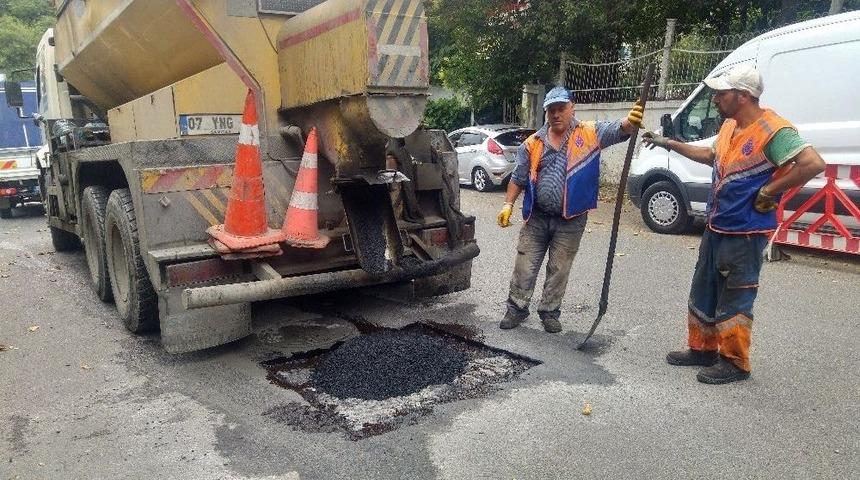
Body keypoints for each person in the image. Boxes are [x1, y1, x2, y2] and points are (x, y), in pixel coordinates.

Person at [642, 65, 825, 384]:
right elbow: (711, 155)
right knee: (704, 288)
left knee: (736, 294)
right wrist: (668, 143)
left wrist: (769, 190)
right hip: (717, 226)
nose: (715, 99)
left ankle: (735, 362)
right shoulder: (730, 125)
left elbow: (812, 164)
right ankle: (702, 349)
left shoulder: (773, 130)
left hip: (746, 231)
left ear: (742, 96)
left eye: (721, 93)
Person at [497, 86, 644, 333]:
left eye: (561, 108)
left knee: (559, 268)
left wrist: (630, 121)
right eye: (551, 110)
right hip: (537, 217)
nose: (556, 114)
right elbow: (518, 178)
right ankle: (516, 309)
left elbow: (618, 129)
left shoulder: (589, 132)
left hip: (571, 219)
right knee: (525, 264)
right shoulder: (532, 144)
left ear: (571, 108)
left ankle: (549, 312)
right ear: (546, 112)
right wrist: (508, 204)